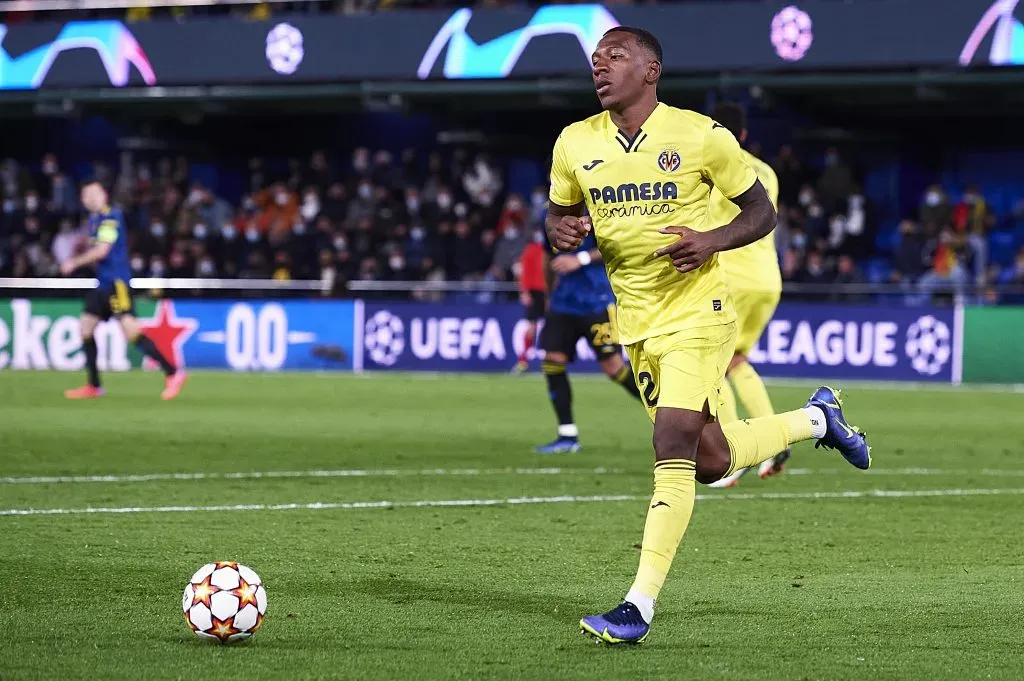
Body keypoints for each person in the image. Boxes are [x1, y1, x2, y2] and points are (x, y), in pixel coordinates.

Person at [545, 26, 871, 645]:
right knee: (711, 460)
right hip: (636, 321)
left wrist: (712, 240)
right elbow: (558, 213)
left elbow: (761, 211)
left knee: (671, 440)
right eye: (595, 59)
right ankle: (817, 422)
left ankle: (637, 607)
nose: (601, 66)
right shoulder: (574, 142)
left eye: (616, 56)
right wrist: (560, 229)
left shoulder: (699, 135)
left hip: (701, 310)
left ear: (651, 69)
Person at [704, 102, 788, 489]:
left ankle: (735, 453)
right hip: (767, 278)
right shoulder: (767, 171)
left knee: (711, 363)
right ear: (745, 134)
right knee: (736, 360)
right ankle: (773, 442)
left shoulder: (714, 164)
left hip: (731, 278)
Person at [61, 179, 187, 400]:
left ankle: (173, 372)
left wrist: (74, 262)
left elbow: (102, 251)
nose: (90, 198)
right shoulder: (93, 220)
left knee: (132, 333)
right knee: (85, 328)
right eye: (86, 195)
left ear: (104, 195)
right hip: (102, 284)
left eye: (94, 194)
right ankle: (94, 385)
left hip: (117, 284)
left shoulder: (110, 217)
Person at [533, 225, 643, 454]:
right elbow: (547, 255)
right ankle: (567, 435)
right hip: (562, 303)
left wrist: (580, 258)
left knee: (614, 369)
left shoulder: (595, 204)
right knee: (552, 360)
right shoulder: (551, 212)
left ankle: (671, 416)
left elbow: (617, 244)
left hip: (597, 301)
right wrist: (548, 294)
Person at [514, 229, 547, 374]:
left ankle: (549, 361)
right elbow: (524, 272)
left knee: (550, 327)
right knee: (532, 328)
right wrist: (525, 291)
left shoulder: (551, 249)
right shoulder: (531, 250)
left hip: (547, 292)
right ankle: (523, 361)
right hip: (535, 291)